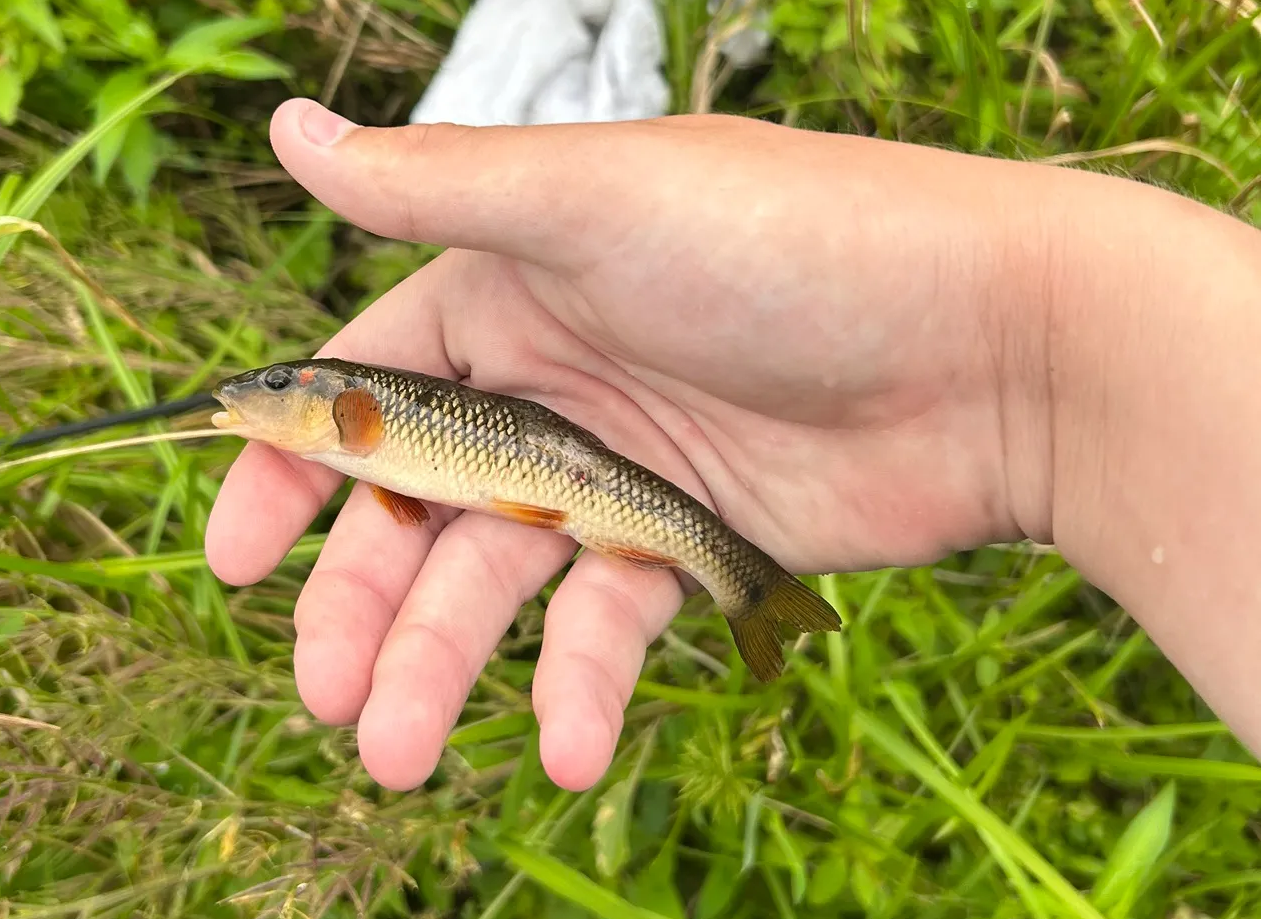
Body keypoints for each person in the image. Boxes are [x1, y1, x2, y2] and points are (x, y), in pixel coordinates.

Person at [205, 97, 1261, 792]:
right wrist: (1024, 361)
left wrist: (1022, 358)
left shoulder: (358, 410)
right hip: (559, 474)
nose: (246, 398)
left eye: (265, 389)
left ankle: (746, 587)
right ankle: (749, 589)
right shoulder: (363, 430)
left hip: (574, 477)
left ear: (325, 400)